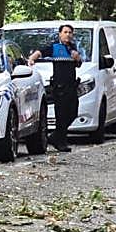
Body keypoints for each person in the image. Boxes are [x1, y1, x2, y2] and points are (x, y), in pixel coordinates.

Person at [27, 24, 86, 153]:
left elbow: (79, 64)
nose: (68, 34)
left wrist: (78, 58)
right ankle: (61, 141)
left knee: (73, 112)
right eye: (65, 32)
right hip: (60, 87)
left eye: (70, 32)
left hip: (71, 86)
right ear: (60, 34)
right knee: (61, 115)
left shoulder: (73, 48)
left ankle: (55, 137)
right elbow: (40, 52)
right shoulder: (55, 47)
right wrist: (32, 59)